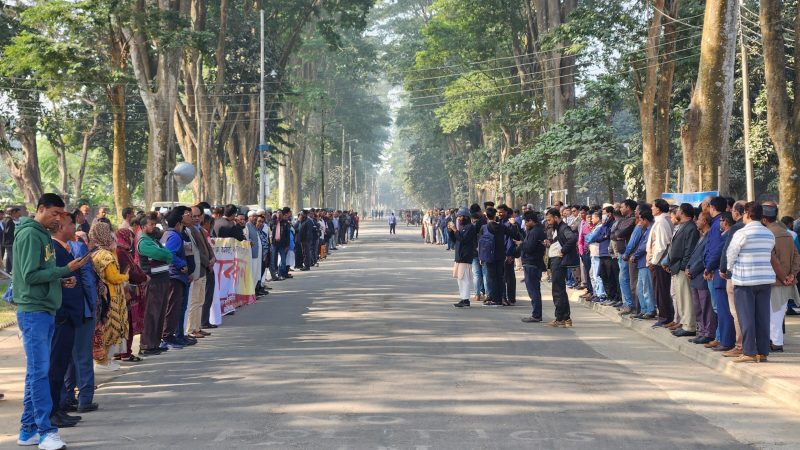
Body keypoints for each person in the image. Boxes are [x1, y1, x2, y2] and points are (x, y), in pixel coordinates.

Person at [15, 193, 89, 450]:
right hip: (34, 312)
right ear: (42, 208)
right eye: (55, 213)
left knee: (36, 373)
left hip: (43, 310)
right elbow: (29, 275)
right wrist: (64, 270)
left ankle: (28, 430)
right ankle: (46, 431)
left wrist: (59, 279)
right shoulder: (29, 234)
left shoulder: (41, 234)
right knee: (39, 374)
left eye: (62, 215)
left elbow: (39, 275)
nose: (58, 219)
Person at [48, 212, 88, 428]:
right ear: (61, 227)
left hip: (70, 315)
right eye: (71, 224)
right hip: (61, 315)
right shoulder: (54, 250)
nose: (74, 227)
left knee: (62, 365)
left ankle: (59, 408)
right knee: (55, 367)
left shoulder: (66, 248)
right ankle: (53, 411)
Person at [726, 202, 776, 363]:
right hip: (765, 279)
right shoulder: (769, 234)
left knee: (746, 317)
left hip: (745, 280)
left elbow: (731, 254)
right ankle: (762, 352)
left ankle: (749, 351)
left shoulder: (742, 233)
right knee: (762, 317)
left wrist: (730, 269)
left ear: (747, 214)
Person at [89, 222, 130, 371]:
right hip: (112, 297)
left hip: (105, 296)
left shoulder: (97, 252)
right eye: (109, 232)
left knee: (107, 330)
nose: (113, 236)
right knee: (111, 330)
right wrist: (125, 276)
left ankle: (104, 360)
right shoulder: (106, 255)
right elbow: (113, 277)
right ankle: (103, 361)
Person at [761, 202, 800, 352]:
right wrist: (792, 275)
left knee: (772, 314)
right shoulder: (787, 234)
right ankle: (775, 341)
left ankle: (776, 343)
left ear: (764, 220)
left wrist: (784, 277)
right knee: (779, 312)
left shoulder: (768, 235)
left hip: (775, 281)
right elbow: (797, 257)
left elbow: (773, 260)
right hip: (786, 282)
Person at [137, 213, 173, 355]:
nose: (154, 227)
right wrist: (164, 253)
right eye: (151, 225)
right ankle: (146, 345)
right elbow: (163, 255)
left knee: (160, 313)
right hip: (153, 281)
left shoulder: (152, 240)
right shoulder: (143, 241)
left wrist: (164, 253)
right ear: (143, 226)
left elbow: (167, 254)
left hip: (161, 280)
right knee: (151, 314)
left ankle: (155, 343)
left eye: (154, 224)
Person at [114, 227, 148, 362]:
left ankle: (121, 352)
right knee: (127, 323)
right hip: (126, 293)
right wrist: (143, 278)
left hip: (127, 292)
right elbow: (129, 273)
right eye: (130, 236)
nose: (132, 239)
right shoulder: (120, 253)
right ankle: (125, 353)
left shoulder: (124, 251)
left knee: (126, 323)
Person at [666, 203, 700, 337]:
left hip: (682, 267)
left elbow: (689, 249)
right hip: (676, 266)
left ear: (683, 212)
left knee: (686, 297)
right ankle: (684, 323)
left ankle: (689, 326)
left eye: (679, 210)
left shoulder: (690, 228)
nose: (677, 213)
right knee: (680, 297)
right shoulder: (683, 226)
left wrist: (683, 265)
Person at [544, 208, 579, 327]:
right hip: (556, 260)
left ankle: (559, 318)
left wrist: (563, 250)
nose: (548, 222)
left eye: (549, 219)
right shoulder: (557, 228)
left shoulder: (563, 227)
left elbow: (573, 238)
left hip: (558, 261)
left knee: (557, 290)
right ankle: (566, 318)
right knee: (560, 290)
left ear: (556, 217)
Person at [647, 199, 674, 327]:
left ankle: (665, 317)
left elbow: (661, 245)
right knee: (661, 290)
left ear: (658, 209)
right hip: (659, 261)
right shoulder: (661, 220)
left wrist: (654, 261)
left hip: (659, 262)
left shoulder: (662, 222)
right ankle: (665, 316)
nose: (651, 209)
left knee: (661, 290)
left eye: (653, 207)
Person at [520, 210, 546, 323]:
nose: (525, 224)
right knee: (534, 290)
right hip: (533, 263)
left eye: (526, 222)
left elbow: (529, 247)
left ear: (531, 221)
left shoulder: (535, 232)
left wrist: (521, 244)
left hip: (532, 263)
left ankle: (536, 314)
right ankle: (536, 313)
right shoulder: (535, 231)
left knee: (533, 290)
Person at [449, 208, 477, 308]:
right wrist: (451, 231)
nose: (459, 219)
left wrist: (455, 230)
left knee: (464, 279)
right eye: (458, 217)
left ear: (466, 217)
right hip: (459, 257)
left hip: (465, 257)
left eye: (460, 217)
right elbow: (455, 239)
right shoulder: (463, 227)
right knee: (460, 279)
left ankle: (466, 299)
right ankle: (463, 298)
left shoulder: (470, 227)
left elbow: (463, 239)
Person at [478, 207, 506, 306]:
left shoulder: (484, 228)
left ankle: (494, 299)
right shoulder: (502, 227)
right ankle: (501, 298)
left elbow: (480, 243)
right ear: (495, 216)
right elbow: (512, 235)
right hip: (500, 255)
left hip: (488, 255)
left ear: (486, 216)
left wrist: (481, 257)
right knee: (500, 277)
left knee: (492, 277)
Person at [1, 207, 20, 272]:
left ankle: (8, 270)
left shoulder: (6, 220)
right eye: (17, 213)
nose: (19, 214)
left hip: (7, 242)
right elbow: (7, 232)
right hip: (9, 242)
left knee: (9, 257)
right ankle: (16, 271)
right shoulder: (9, 220)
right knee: (13, 257)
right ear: (13, 213)